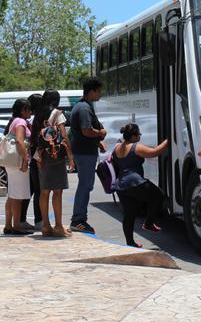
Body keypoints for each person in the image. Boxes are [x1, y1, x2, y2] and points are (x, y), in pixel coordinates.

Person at [111, 123, 168, 248]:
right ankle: (148, 223)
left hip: (121, 184)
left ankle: (130, 242)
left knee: (129, 213)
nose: (140, 137)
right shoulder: (135, 147)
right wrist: (168, 140)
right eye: (139, 135)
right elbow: (154, 152)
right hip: (134, 181)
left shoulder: (117, 147)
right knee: (158, 196)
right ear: (133, 136)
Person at [32, 89, 74, 238]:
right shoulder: (57, 114)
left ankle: (45, 226)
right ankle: (58, 226)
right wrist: (70, 156)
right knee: (57, 191)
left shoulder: (37, 115)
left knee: (44, 192)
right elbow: (63, 135)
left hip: (41, 156)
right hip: (56, 156)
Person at [69, 77, 106, 234]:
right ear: (92, 91)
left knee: (86, 185)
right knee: (85, 185)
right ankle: (78, 220)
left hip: (85, 151)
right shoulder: (84, 108)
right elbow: (86, 130)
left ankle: (79, 218)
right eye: (98, 91)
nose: (100, 94)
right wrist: (101, 133)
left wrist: (98, 142)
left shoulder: (83, 106)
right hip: (84, 153)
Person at [3, 99, 33, 235]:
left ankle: (8, 225)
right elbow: (20, 141)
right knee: (18, 196)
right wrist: (25, 160)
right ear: (23, 110)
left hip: (12, 163)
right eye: (28, 109)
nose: (31, 112)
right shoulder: (21, 122)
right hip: (18, 162)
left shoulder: (14, 121)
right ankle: (16, 226)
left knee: (12, 194)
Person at [19, 93, 43, 231]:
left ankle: (22, 219)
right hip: (34, 159)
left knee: (30, 190)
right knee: (37, 190)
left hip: (31, 158)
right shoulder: (36, 120)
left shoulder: (32, 120)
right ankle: (38, 220)